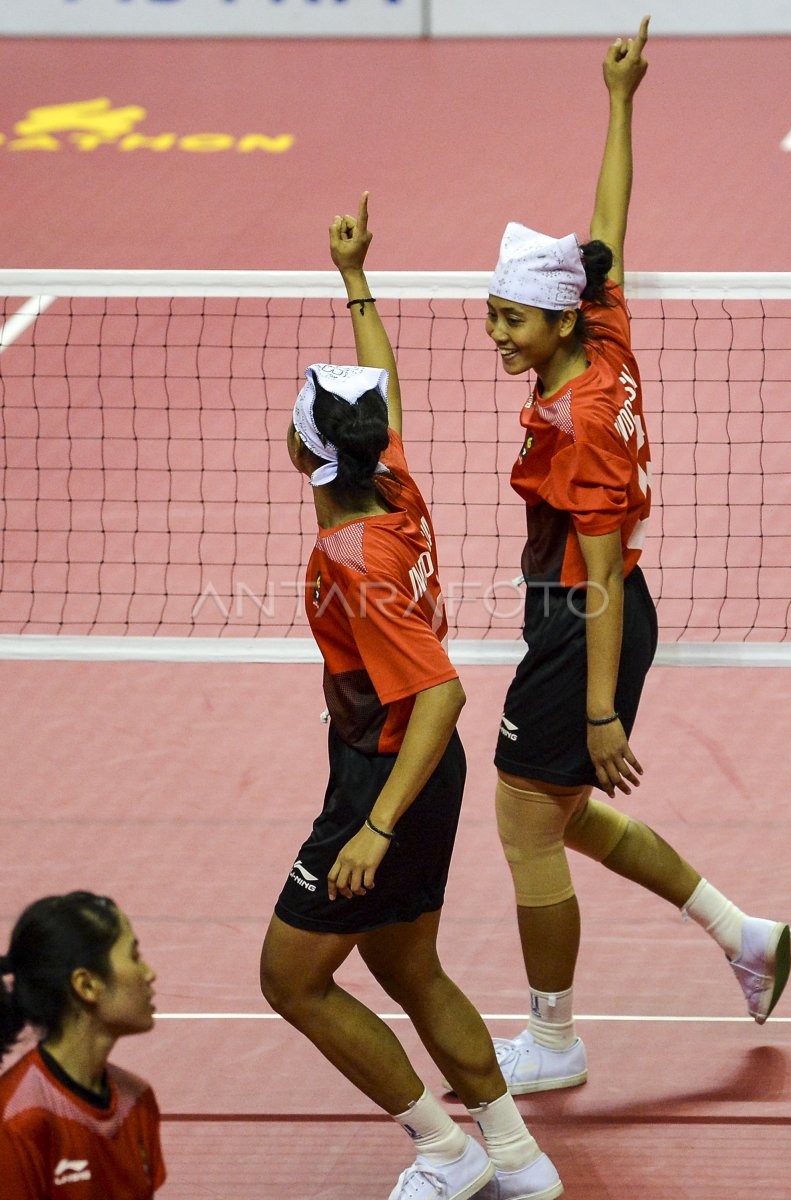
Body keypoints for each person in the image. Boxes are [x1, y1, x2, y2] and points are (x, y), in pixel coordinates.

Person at [483, 16, 791, 1096]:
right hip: (579, 609)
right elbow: (606, 223)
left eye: (512, 319)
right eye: (494, 314)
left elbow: (604, 574)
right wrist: (621, 100)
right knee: (562, 813)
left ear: (558, 324)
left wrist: (603, 707)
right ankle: (745, 934)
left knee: (525, 815)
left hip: (586, 619)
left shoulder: (580, 420)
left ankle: (554, 1039)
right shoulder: (598, 326)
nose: (498, 334)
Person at [260, 193, 562, 1200]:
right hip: (407, 771)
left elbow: (441, 695)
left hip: (388, 775)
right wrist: (356, 281)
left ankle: (446, 1149)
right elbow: (378, 392)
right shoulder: (387, 480)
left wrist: (373, 829)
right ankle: (518, 1159)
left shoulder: (353, 551)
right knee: (407, 967)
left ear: (308, 454)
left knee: (291, 978)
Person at [0, 891, 164, 1198]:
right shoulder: (15, 1122)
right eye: (133, 956)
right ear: (86, 985)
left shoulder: (138, 1101)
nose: (149, 974)